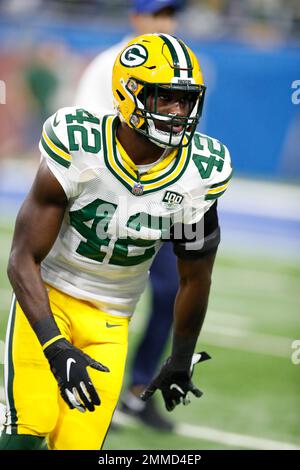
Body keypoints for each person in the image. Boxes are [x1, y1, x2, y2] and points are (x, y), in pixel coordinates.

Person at [0, 33, 232, 450]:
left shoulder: (201, 173)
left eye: (187, 100)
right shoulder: (78, 144)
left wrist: (180, 358)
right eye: (166, 98)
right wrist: (55, 346)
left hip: (111, 320)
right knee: (28, 428)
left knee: (79, 446)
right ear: (130, 93)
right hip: (48, 298)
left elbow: (195, 277)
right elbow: (21, 259)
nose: (179, 112)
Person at [75, 0, 186, 431]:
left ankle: (138, 391)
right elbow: (83, 128)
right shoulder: (109, 64)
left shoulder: (182, 69)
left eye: (170, 14)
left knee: (173, 292)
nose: (166, 22)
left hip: (159, 203)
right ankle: (79, 381)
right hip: (108, 202)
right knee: (94, 294)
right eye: (157, 13)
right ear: (136, 17)